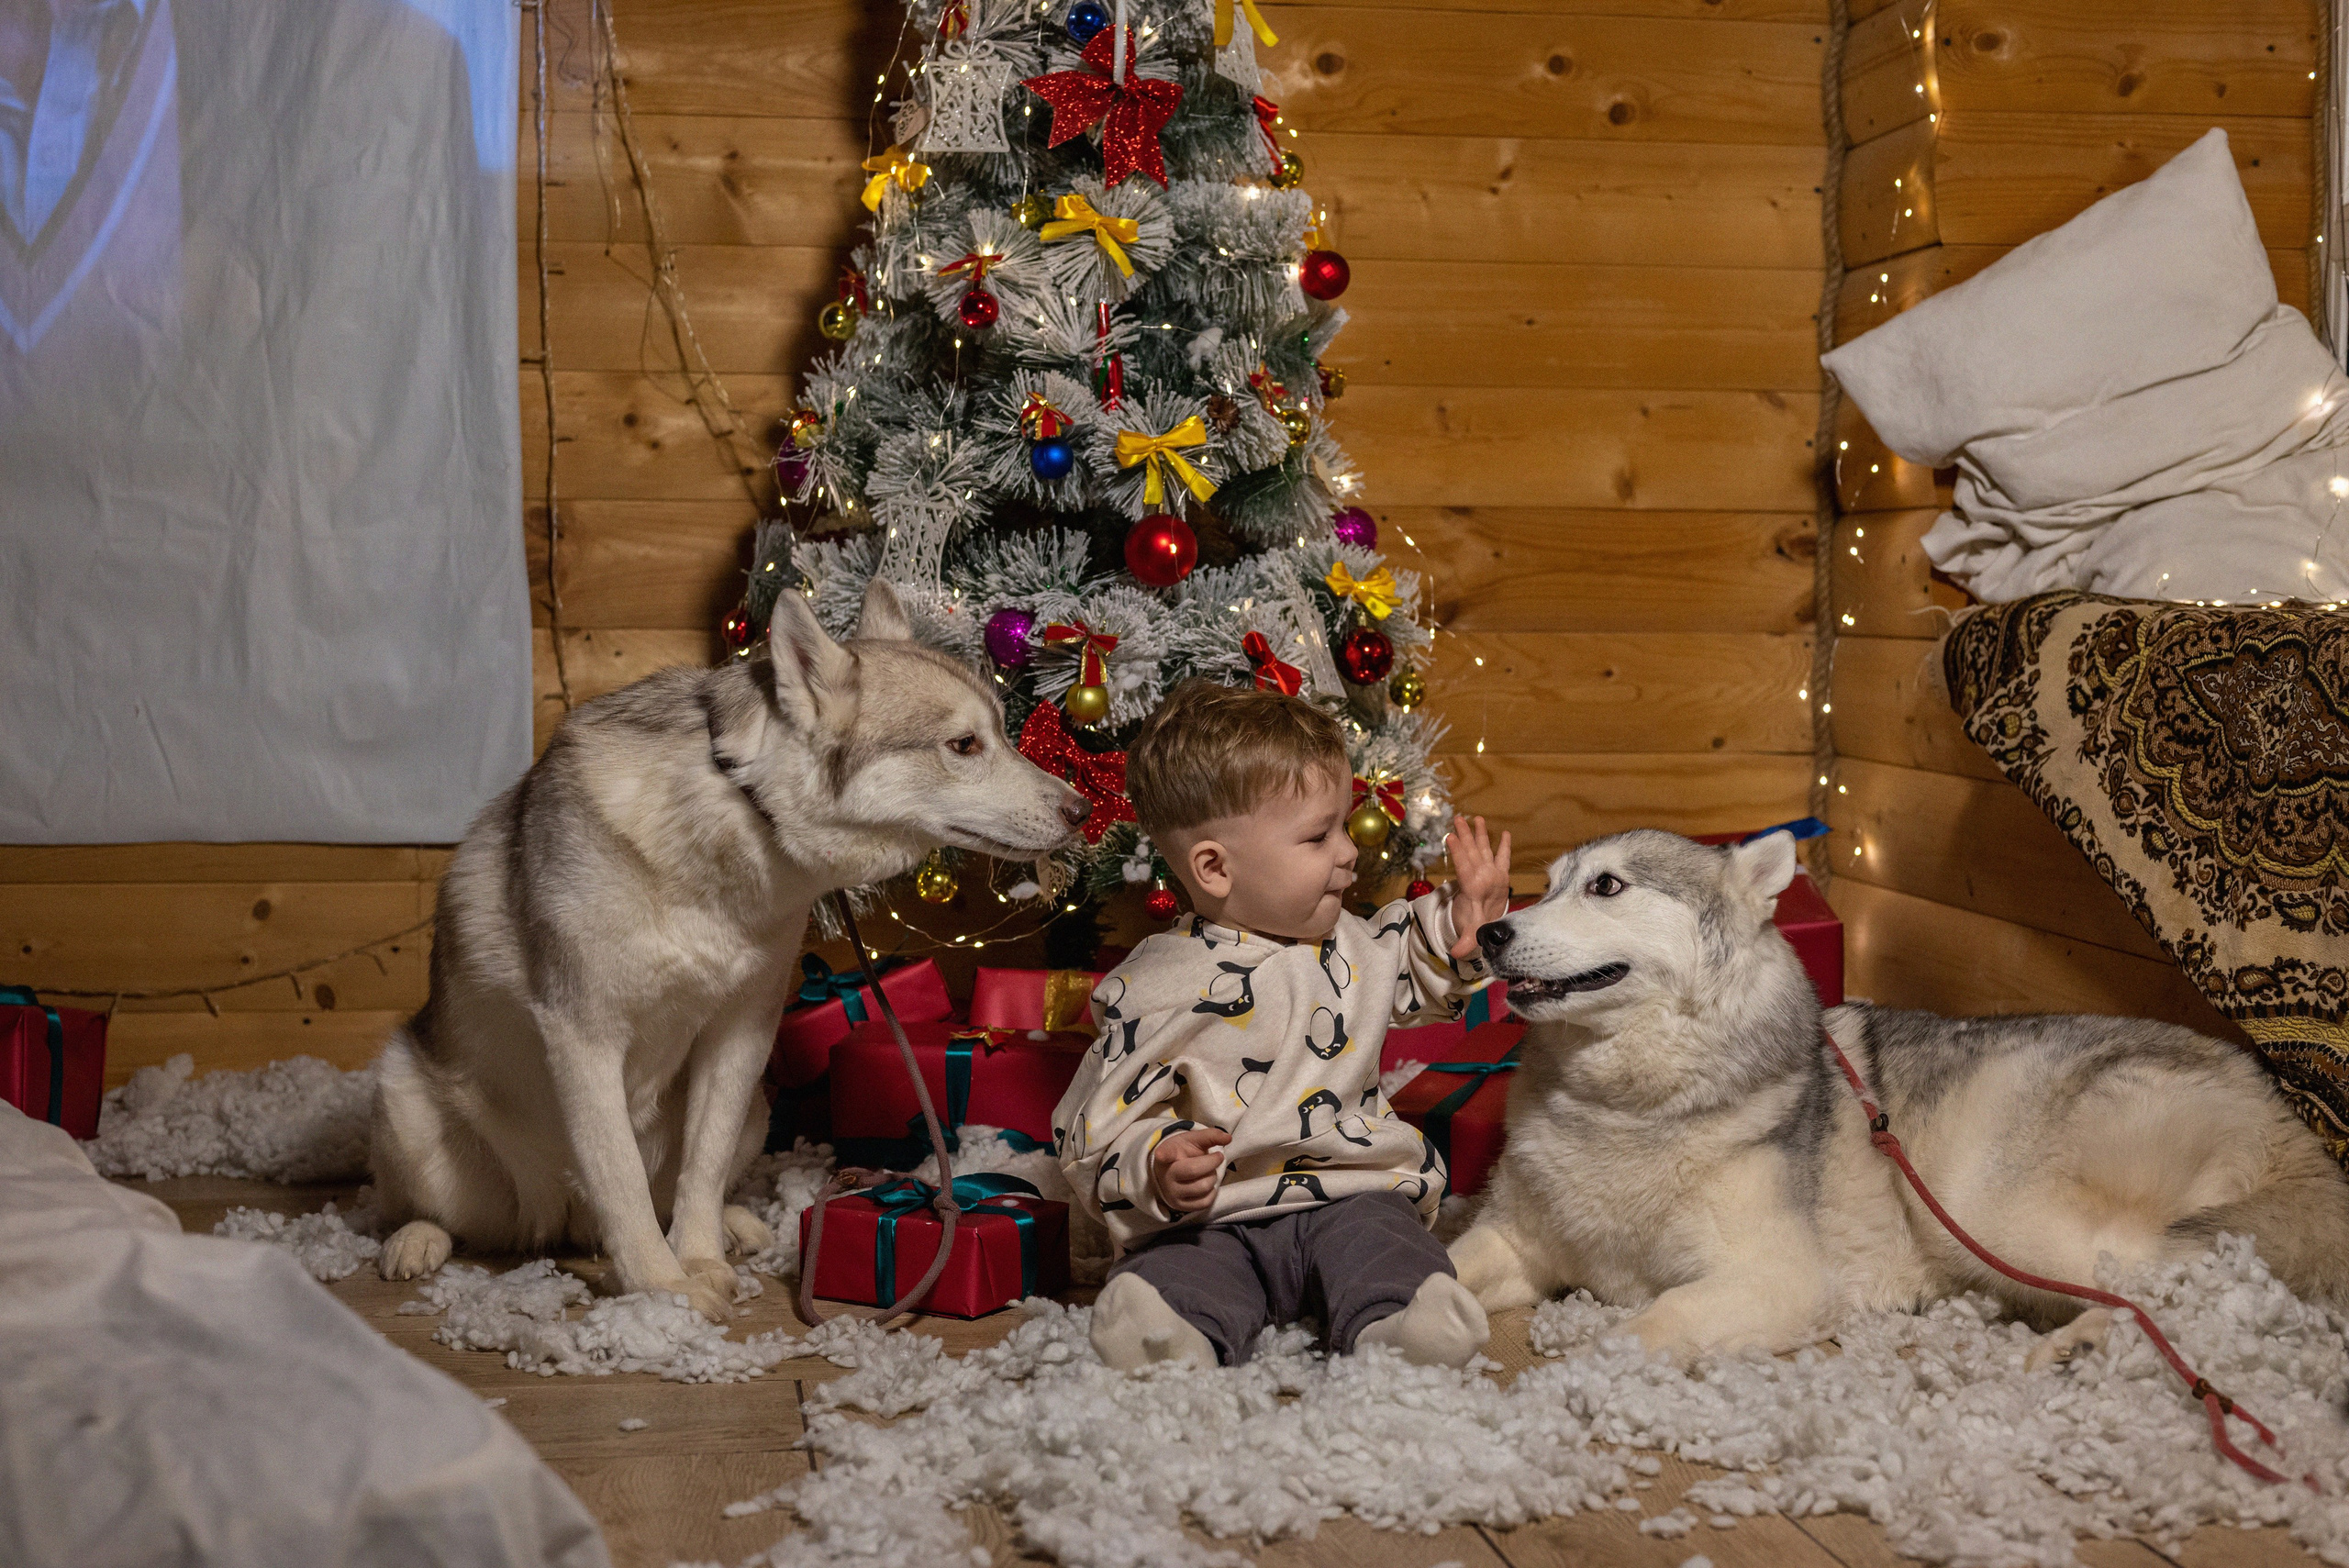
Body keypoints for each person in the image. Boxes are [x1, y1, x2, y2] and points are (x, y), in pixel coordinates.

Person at [1052, 678, 1513, 1371]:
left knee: (1389, 1246)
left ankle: (1397, 1329)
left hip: (1349, 1192)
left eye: (1343, 824)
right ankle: (1169, 1334)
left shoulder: (1354, 945)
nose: (1349, 850)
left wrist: (1468, 924)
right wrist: (1158, 1162)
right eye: (1317, 835)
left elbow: (1417, 959)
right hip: (1221, 1212)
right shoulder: (1154, 987)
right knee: (1186, 1268)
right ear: (1214, 867)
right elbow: (1094, 1125)